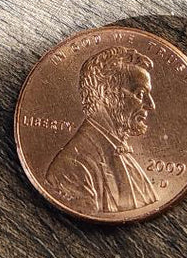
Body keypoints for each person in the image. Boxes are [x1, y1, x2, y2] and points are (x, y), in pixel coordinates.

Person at [46, 46, 158, 213]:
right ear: (106, 94)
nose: (151, 105)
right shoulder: (72, 167)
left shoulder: (123, 155)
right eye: (140, 94)